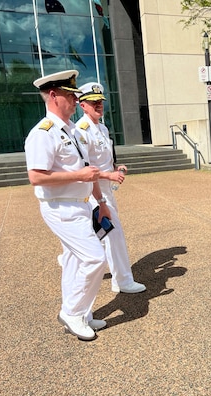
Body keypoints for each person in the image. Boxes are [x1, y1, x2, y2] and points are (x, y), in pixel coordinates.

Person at [25, 70, 109, 341]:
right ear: (53, 95)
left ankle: (81, 313)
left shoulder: (72, 130)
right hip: (61, 208)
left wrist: (100, 201)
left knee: (74, 261)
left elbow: (89, 169)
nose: (75, 99)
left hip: (82, 204)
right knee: (95, 258)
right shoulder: (43, 133)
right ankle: (72, 312)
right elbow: (36, 176)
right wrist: (79, 177)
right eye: (70, 95)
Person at [76, 82, 146, 294]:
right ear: (82, 105)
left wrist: (115, 167)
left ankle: (72, 254)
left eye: (100, 102)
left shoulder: (102, 128)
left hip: (106, 187)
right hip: (93, 190)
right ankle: (123, 281)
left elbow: (104, 157)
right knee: (114, 233)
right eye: (93, 102)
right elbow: (85, 168)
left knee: (100, 232)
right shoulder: (81, 131)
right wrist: (108, 174)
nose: (98, 105)